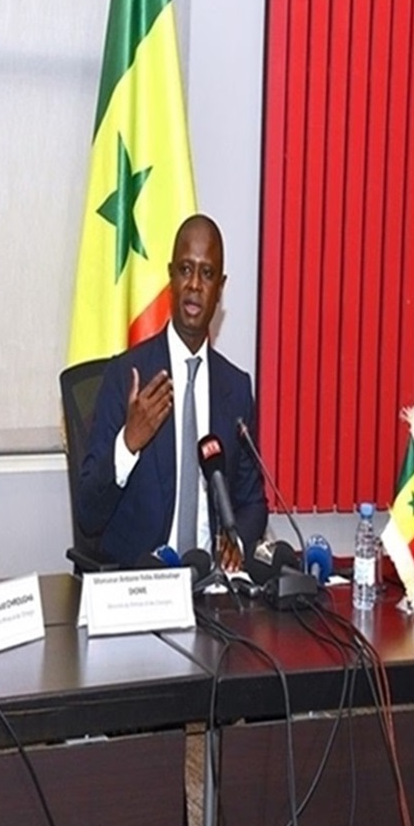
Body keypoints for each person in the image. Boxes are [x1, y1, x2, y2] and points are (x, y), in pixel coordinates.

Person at [78, 213, 268, 570]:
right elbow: (88, 513)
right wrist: (128, 443)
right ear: (171, 278)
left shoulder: (236, 388)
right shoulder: (126, 377)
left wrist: (237, 541)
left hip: (211, 584)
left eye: (207, 274)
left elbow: (253, 503)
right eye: (185, 270)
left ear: (220, 288)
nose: (194, 284)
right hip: (142, 582)